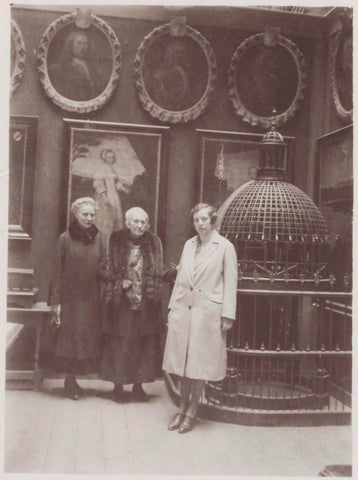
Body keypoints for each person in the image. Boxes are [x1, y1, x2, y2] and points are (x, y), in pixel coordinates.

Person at [162, 203, 238, 433]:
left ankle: (192, 412)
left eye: (204, 219)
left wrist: (227, 315)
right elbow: (181, 279)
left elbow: (231, 283)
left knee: (199, 365)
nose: (200, 223)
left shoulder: (224, 247)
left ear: (213, 220)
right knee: (184, 364)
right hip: (184, 310)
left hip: (207, 313)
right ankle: (181, 408)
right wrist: (172, 307)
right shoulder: (189, 245)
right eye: (196, 220)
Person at [43, 197, 107, 400]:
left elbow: (105, 268)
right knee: (69, 340)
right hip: (70, 300)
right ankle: (69, 381)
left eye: (92, 214)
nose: (89, 218)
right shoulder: (64, 239)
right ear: (76, 215)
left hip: (91, 299)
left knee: (85, 339)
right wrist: (56, 301)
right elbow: (56, 272)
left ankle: (75, 380)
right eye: (85, 214)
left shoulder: (100, 239)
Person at [100, 207, 163, 401]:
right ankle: (118, 386)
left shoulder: (153, 242)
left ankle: (138, 386)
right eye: (135, 221)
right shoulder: (116, 240)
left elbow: (158, 271)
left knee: (143, 345)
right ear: (127, 223)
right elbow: (104, 268)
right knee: (121, 344)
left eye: (143, 222)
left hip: (145, 303)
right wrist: (119, 281)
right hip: (122, 303)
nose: (139, 225)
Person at [49, 30, 104, 101]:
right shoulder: (64, 68)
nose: (83, 47)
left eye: (86, 44)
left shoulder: (92, 66)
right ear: (71, 45)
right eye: (79, 43)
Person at [146, 40, 198, 111]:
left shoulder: (182, 69)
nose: (179, 56)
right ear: (170, 53)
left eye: (182, 53)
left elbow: (189, 92)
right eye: (176, 53)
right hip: (165, 103)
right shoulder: (161, 72)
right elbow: (161, 93)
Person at [93, 148, 131, 237]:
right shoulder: (102, 168)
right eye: (109, 158)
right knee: (106, 218)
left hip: (114, 196)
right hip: (105, 196)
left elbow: (116, 182)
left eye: (113, 158)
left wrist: (123, 189)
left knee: (116, 218)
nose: (112, 159)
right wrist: (105, 197)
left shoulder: (112, 169)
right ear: (104, 158)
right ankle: (104, 240)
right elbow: (98, 183)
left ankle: (112, 239)